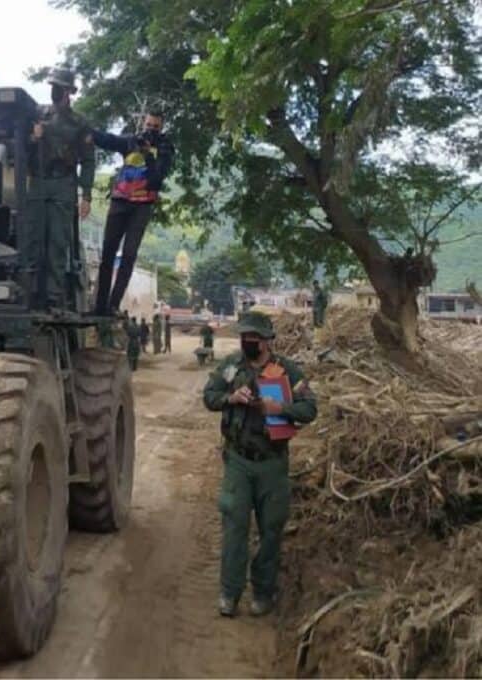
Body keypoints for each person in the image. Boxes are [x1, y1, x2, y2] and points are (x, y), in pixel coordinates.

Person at [202, 311, 317, 618]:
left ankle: (263, 592)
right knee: (235, 528)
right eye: (243, 338)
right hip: (239, 461)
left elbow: (310, 408)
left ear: (266, 341)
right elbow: (209, 397)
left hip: (273, 464)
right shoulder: (230, 366)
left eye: (252, 338)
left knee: (271, 530)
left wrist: (281, 407)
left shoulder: (287, 371)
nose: (247, 343)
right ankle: (229, 593)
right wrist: (231, 398)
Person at [90, 112, 175, 315]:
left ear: (161, 128)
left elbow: (156, 180)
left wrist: (148, 155)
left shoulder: (165, 148)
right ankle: (100, 306)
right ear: (142, 124)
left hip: (142, 206)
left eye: (155, 126)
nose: (151, 129)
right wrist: (88, 131)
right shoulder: (131, 141)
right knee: (107, 255)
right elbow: (109, 140)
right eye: (148, 124)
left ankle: (113, 304)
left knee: (128, 255)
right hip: (120, 201)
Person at [29, 68, 95, 307]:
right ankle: (33, 292)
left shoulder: (80, 123)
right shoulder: (38, 114)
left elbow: (88, 161)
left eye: (59, 86)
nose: (54, 90)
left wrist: (86, 195)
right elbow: (22, 150)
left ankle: (54, 297)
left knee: (58, 241)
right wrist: (34, 138)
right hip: (38, 181)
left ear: (68, 91)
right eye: (52, 86)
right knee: (34, 239)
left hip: (64, 183)